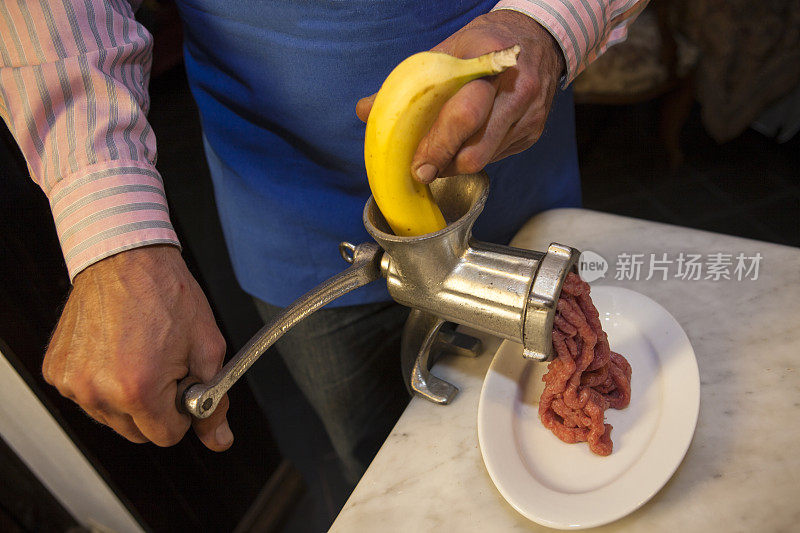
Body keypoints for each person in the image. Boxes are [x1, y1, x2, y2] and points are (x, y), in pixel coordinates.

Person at [0, 0, 647, 481]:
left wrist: (553, 21)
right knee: (382, 464)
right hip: (287, 218)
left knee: (553, 420)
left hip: (515, 154)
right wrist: (112, 227)